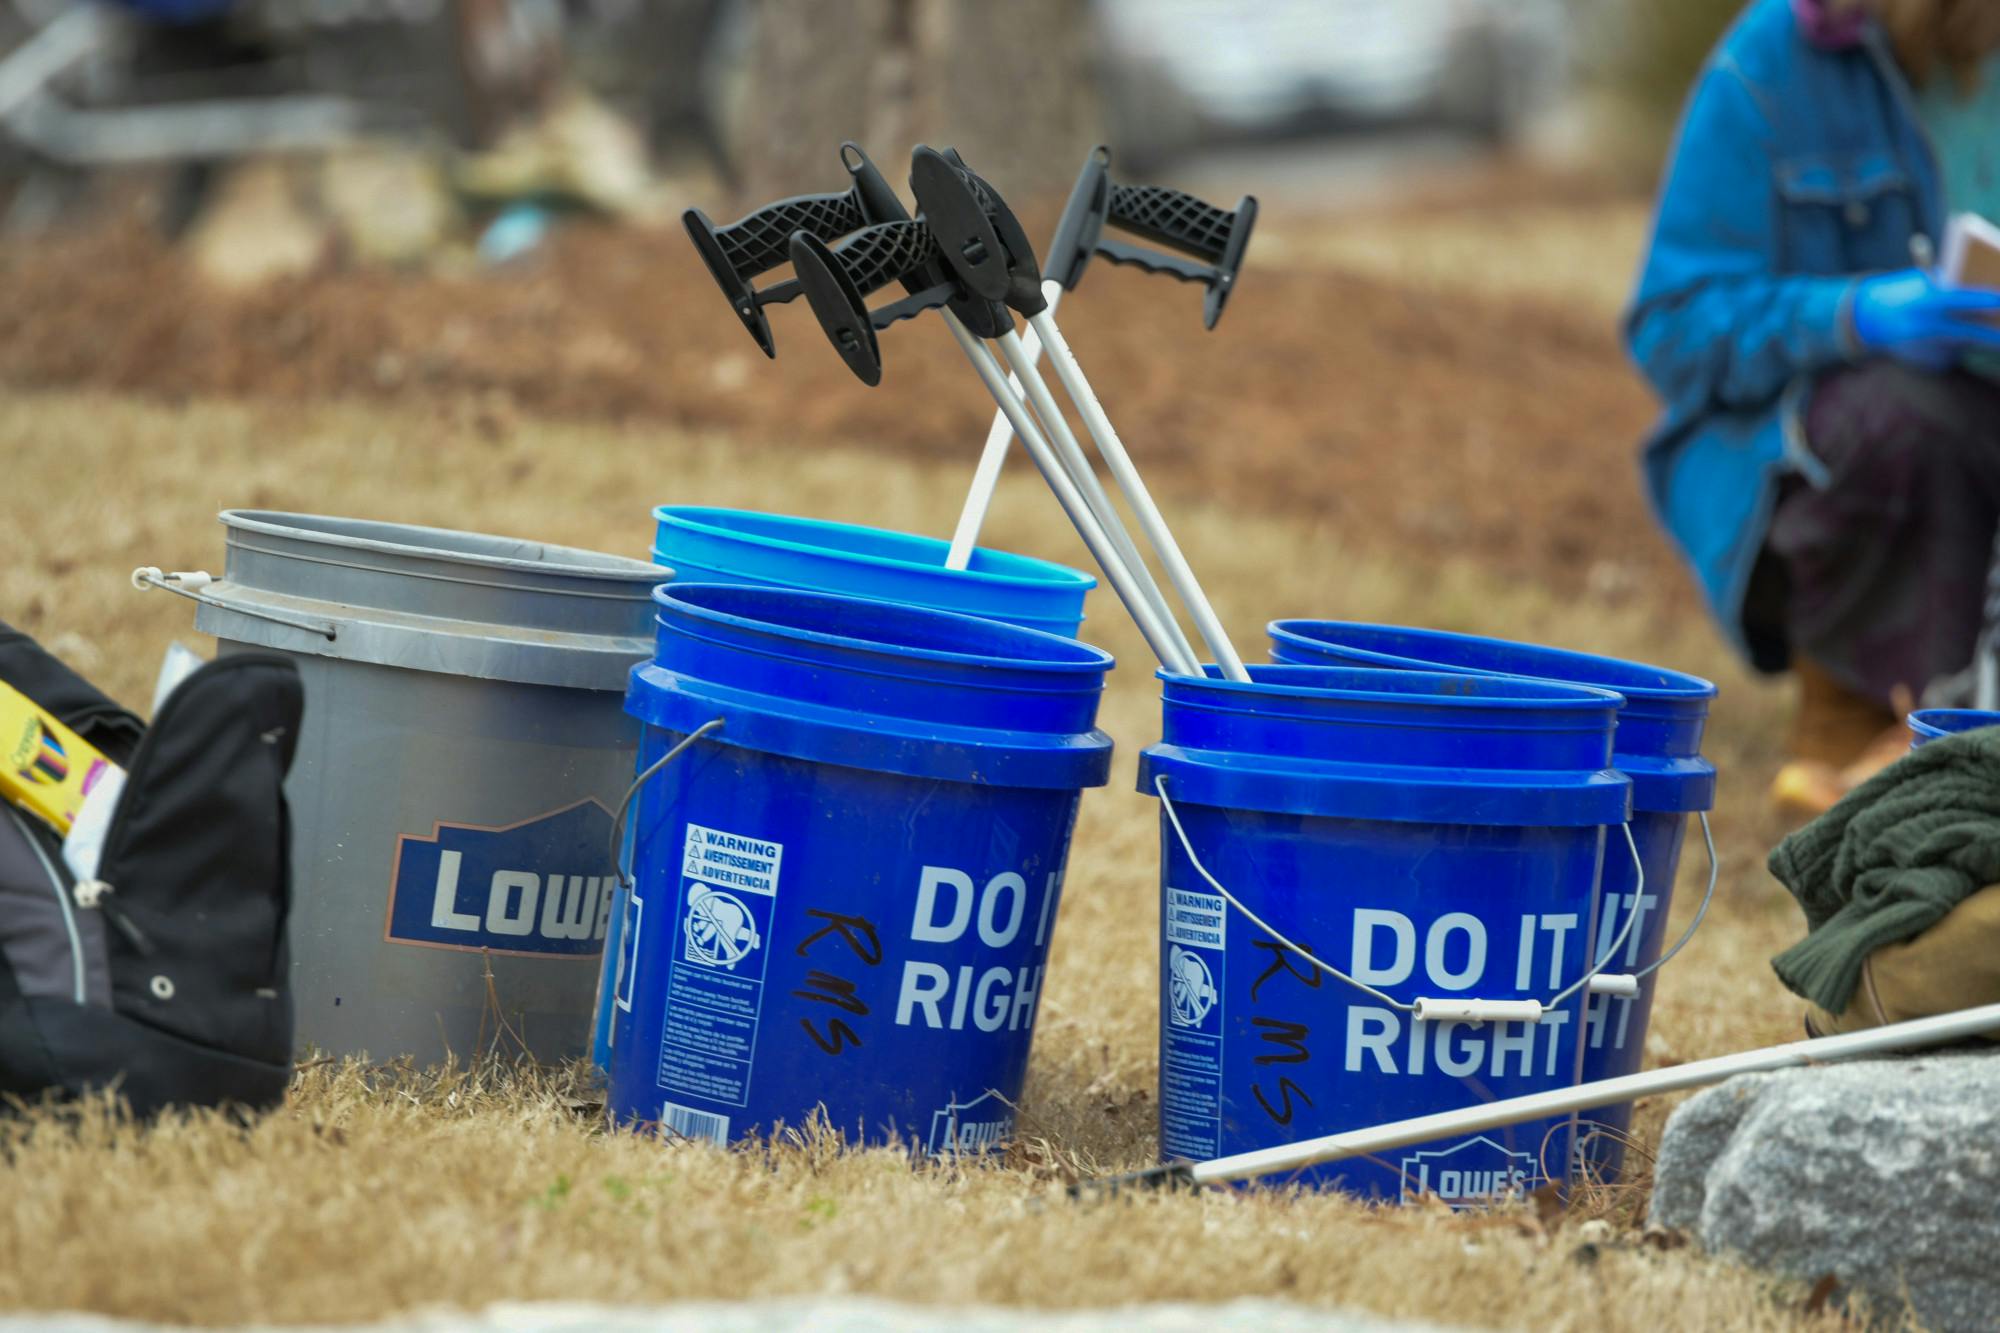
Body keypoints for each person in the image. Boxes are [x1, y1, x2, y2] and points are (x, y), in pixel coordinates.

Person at [1625, 0, 2000, 821]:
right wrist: (1851, 315)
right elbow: (1672, 324)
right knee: (1904, 414)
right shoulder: (1771, 62)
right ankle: (1858, 714)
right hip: (1829, 453)